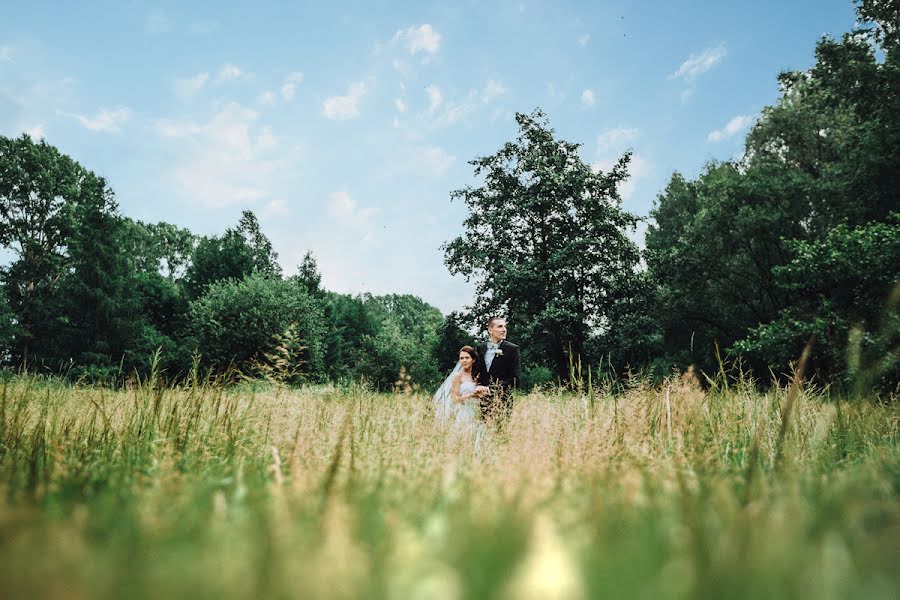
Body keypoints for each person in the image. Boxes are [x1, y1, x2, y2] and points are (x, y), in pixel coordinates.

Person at [432, 346, 490, 447]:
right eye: (461, 358)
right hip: (464, 412)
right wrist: (471, 395)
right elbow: (455, 399)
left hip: (478, 411)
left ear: (473, 359)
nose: (464, 361)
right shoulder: (458, 376)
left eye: (467, 358)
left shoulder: (478, 375)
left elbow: (483, 394)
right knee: (463, 440)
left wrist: (482, 393)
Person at [475, 317, 521, 424]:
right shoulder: (480, 348)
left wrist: (491, 389)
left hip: (503, 401)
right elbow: (477, 372)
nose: (504, 329)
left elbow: (515, 379)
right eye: (500, 326)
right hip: (482, 401)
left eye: (505, 327)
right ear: (490, 330)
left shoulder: (512, 349)